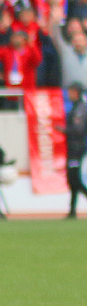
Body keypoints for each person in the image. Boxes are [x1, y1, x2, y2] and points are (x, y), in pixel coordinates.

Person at [65, 83, 85, 218]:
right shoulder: (77, 107)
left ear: (76, 92)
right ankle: (72, 211)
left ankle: (72, 211)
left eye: (71, 92)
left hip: (76, 148)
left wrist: (63, 130)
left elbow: (79, 130)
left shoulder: (80, 109)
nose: (68, 94)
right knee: (72, 179)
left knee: (74, 179)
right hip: (73, 147)